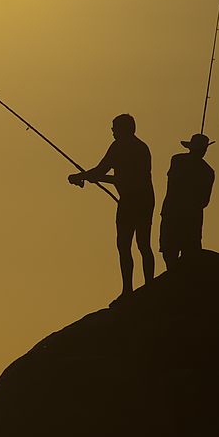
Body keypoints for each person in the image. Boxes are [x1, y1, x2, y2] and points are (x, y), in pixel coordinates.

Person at [68, 114, 155, 303]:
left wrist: (84, 176)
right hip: (135, 200)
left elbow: (119, 177)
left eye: (115, 128)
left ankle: (146, 287)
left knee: (139, 244)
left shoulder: (137, 149)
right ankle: (130, 290)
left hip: (139, 200)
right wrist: (85, 176)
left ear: (126, 129)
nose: (112, 131)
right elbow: (102, 171)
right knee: (127, 245)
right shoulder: (125, 147)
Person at [159, 133, 215, 270]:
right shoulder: (207, 171)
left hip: (175, 214)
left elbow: (172, 183)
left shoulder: (178, 160)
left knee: (171, 251)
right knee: (184, 253)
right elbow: (204, 201)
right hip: (190, 217)